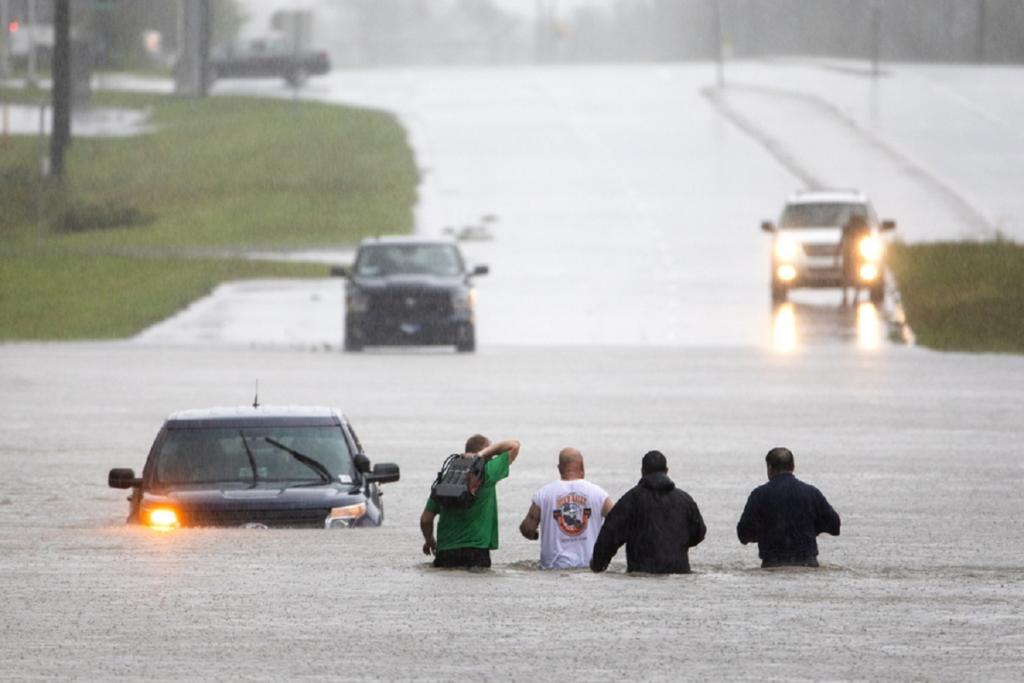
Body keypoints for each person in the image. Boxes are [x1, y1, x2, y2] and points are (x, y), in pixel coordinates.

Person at [590, 450, 706, 574]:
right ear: (667, 471)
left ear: (642, 472)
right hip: (679, 573)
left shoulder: (630, 500)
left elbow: (609, 535)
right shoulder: (685, 500)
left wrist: (597, 566)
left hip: (641, 574)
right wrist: (678, 542)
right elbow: (699, 533)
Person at [420, 434, 520, 569]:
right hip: (477, 551)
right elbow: (514, 445)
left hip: (446, 552)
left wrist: (430, 541)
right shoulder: (488, 471)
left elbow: (426, 519)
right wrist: (483, 454)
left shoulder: (446, 479)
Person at [736, 446, 841, 568]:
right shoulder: (812, 493)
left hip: (772, 566)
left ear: (769, 468)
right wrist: (812, 529)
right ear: (793, 467)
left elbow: (743, 534)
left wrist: (763, 533)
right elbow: (834, 526)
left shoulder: (759, 495)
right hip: (808, 565)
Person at [519, 447, 613, 569]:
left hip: (553, 568)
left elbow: (527, 529)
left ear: (559, 468)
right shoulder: (599, 494)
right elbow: (619, 522)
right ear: (582, 467)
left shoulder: (543, 494)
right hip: (589, 567)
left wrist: (534, 535)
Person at [838, 213, 871, 305]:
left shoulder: (859, 229)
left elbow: (840, 243)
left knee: (851, 277)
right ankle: (851, 297)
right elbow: (841, 242)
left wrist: (836, 255)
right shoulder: (850, 229)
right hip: (852, 256)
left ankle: (850, 296)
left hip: (854, 256)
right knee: (853, 277)